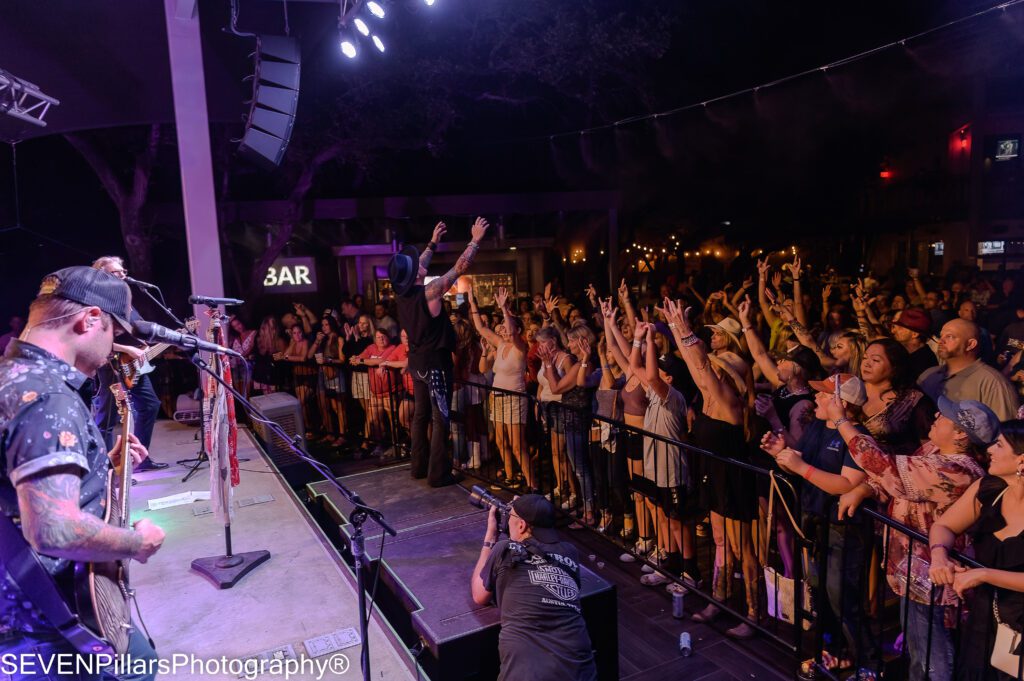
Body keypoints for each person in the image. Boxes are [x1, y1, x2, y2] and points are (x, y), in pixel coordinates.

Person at [0, 266, 165, 680]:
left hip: (25, 612)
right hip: (49, 624)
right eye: (114, 332)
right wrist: (135, 543)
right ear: (89, 319)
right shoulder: (48, 397)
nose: (115, 347)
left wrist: (96, 461)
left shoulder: (14, 377)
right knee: (139, 667)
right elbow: (53, 530)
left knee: (142, 659)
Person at [389, 217, 488, 486]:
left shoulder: (403, 295)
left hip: (417, 362)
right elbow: (459, 268)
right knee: (440, 416)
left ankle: (418, 467)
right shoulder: (430, 292)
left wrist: (433, 242)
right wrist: (475, 241)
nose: (420, 264)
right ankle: (438, 474)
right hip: (434, 363)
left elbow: (419, 264)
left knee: (420, 416)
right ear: (416, 275)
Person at [930, 420, 1024, 681]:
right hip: (984, 620)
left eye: (999, 444)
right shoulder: (988, 490)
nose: (990, 449)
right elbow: (944, 525)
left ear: (1022, 460)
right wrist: (939, 555)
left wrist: (983, 575)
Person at [471, 494, 597, 681]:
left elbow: (479, 595)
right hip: (579, 670)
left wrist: (490, 537)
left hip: (527, 672)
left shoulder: (504, 549)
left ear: (521, 525)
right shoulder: (570, 551)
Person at [89, 256, 167, 473]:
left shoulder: (124, 300)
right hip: (109, 364)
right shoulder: (96, 301)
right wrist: (127, 349)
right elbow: (95, 338)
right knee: (107, 418)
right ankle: (105, 470)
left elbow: (137, 329)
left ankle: (138, 459)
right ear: (102, 275)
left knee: (150, 405)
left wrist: (152, 341)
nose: (123, 275)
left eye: (123, 271)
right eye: (117, 272)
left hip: (132, 365)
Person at [918, 319, 1019, 421]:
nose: (941, 341)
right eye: (941, 336)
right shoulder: (928, 375)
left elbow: (1007, 434)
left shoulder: (993, 384)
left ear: (970, 344)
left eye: (950, 336)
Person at [891, 308, 939, 381]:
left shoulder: (924, 362)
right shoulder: (905, 353)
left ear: (914, 334)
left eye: (900, 327)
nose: (893, 331)